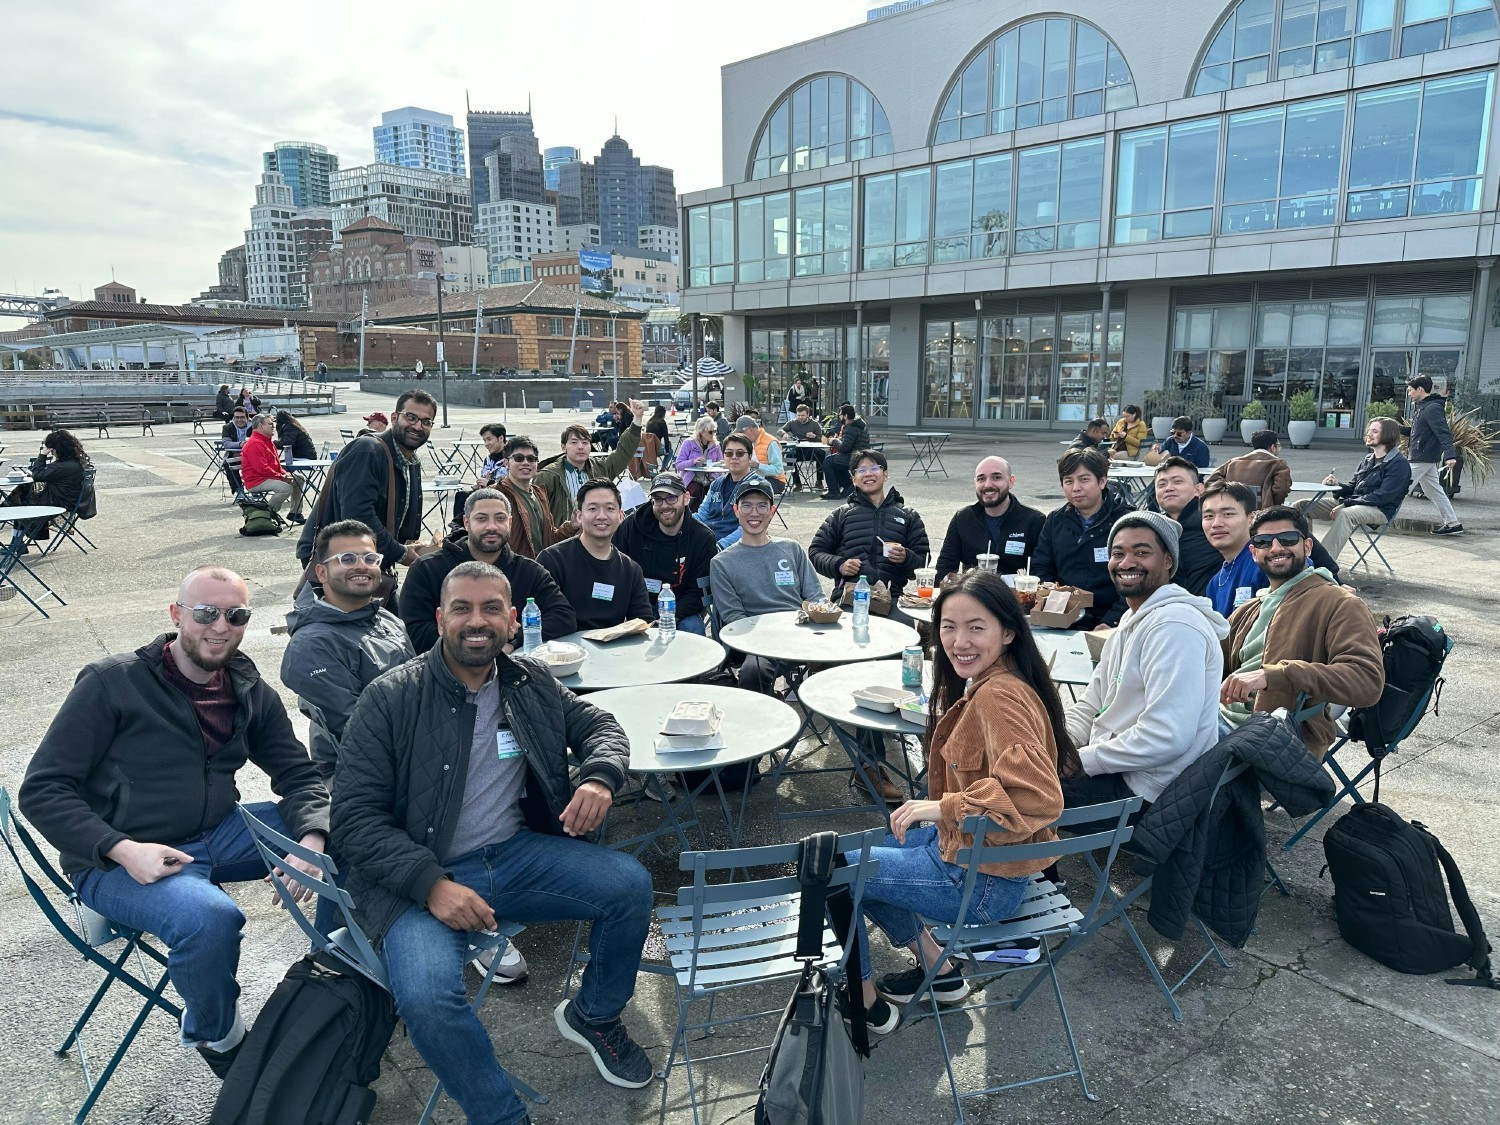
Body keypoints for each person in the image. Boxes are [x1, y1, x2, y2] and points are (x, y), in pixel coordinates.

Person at [332, 562, 656, 1118]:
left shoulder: (530, 681)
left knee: (629, 884)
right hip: (417, 878)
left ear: (512, 620)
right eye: (462, 608)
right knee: (430, 998)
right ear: (439, 619)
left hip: (513, 855)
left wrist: (601, 775)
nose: (476, 621)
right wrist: (431, 884)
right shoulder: (390, 698)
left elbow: (600, 725)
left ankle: (595, 1015)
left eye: (490, 610)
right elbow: (354, 819)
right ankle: (500, 1114)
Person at [19, 566, 329, 1077]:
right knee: (209, 918)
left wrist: (312, 837)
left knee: (354, 835)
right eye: (205, 613)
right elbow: (44, 788)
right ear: (176, 614)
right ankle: (221, 1037)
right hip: (119, 858)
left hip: (221, 833)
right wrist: (119, 848)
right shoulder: (111, 683)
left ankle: (336, 975)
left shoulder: (246, 687)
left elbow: (299, 773)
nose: (220, 626)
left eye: (236, 615)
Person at [846, 572, 1071, 1031]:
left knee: (840, 871)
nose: (959, 640)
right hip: (971, 859)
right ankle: (941, 972)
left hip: (981, 882)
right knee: (853, 855)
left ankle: (864, 999)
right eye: (949, 626)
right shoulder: (997, 683)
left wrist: (942, 806)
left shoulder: (999, 699)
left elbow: (1038, 796)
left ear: (1008, 632)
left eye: (976, 627)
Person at [1062, 512, 1228, 812]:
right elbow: (1091, 703)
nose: (1126, 563)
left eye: (1142, 552)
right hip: (1119, 769)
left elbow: (1167, 735)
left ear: (1167, 561)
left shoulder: (1175, 626)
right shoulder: (1132, 620)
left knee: (1013, 797)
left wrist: (1082, 761)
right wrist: (1059, 743)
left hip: (1150, 792)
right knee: (1012, 763)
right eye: (1118, 553)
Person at [1220, 506, 1384, 757]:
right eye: (1264, 542)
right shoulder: (1249, 609)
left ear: (1307, 547)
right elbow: (1207, 665)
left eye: (1287, 539)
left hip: (1277, 740)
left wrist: (1274, 675)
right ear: (1254, 553)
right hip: (1219, 722)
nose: (1275, 548)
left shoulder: (1339, 603)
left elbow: (1366, 682)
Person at [281, 520, 415, 784]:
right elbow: (355, 728)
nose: (361, 566)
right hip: (356, 777)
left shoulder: (387, 619)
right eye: (347, 558)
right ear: (321, 573)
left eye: (370, 558)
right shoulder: (312, 644)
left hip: (410, 757)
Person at [296, 390, 438, 613]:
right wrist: (400, 553)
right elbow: (357, 518)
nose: (418, 426)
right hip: (340, 560)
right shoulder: (368, 450)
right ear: (394, 418)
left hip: (372, 560)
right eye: (411, 417)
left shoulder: (410, 460)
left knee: (390, 629)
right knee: (337, 634)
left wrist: (407, 545)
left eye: (426, 421)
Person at [403, 489, 575, 654]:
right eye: (482, 519)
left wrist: (515, 641)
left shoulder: (529, 571)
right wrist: (491, 639)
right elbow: (416, 632)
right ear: (466, 522)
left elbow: (563, 617)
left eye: (500, 519)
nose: (491, 527)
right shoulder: (426, 569)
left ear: (510, 522)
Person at [709, 477, 824, 693]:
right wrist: (770, 636)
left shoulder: (792, 549)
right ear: (736, 510)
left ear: (772, 511)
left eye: (762, 505)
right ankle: (762, 720)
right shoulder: (722, 562)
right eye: (747, 505)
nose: (755, 513)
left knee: (853, 657)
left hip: (801, 635)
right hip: (758, 643)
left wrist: (816, 619)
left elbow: (817, 598)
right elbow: (734, 618)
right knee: (753, 670)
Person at [1201, 481, 1341, 617]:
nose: (1216, 523)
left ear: (1252, 518)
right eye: (1208, 516)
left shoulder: (1272, 562)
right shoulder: (1215, 583)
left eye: (1228, 514)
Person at [809, 449, 930, 606]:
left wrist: (906, 557)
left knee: (904, 627)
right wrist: (839, 565)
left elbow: (923, 561)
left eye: (874, 468)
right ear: (853, 479)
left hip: (891, 597)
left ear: (885, 474)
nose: (868, 474)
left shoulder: (908, 515)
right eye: (861, 470)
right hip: (849, 596)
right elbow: (816, 551)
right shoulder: (842, 514)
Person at [1031, 448, 1132, 629]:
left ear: (1102, 481)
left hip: (1114, 618)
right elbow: (1041, 565)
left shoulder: (1127, 521)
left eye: (1084, 479)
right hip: (1063, 613)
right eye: (1068, 481)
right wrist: (1051, 600)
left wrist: (1112, 621)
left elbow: (1137, 579)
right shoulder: (1055, 520)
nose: (1076, 488)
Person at [538, 480, 653, 632]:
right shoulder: (552, 560)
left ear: (621, 515)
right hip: (563, 650)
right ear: (579, 516)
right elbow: (538, 620)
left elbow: (642, 622)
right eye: (592, 508)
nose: (601, 516)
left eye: (610, 509)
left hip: (613, 651)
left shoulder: (631, 570)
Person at [613, 471, 717, 635]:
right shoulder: (632, 527)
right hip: (636, 607)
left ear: (686, 498)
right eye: (658, 499)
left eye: (671, 498)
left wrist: (671, 616)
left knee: (693, 628)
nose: (664, 505)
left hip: (679, 609)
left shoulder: (702, 538)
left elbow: (698, 593)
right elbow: (615, 570)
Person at [1300, 418, 1412, 562]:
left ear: (1388, 435)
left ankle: (1323, 562)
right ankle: (1303, 556)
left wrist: (1347, 503)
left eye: (1375, 431)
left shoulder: (1399, 464)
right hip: (1354, 503)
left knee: (1346, 514)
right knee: (1302, 506)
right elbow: (1352, 488)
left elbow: (1382, 497)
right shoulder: (1367, 459)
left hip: (1380, 509)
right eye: (1369, 431)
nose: (1369, 434)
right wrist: (1336, 485)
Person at [536, 399, 644, 528]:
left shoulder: (601, 468)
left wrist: (637, 419)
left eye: (585, 442)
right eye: (574, 442)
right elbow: (538, 517)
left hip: (598, 535)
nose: (580, 447)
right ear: (563, 447)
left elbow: (623, 451)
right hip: (564, 539)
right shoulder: (548, 476)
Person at [934, 455, 1046, 578]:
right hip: (973, 593)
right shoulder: (962, 519)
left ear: (1011, 481)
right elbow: (945, 567)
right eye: (981, 479)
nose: (988, 484)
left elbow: (1041, 570)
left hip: (1017, 595)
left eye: (996, 477)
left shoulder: (1034, 521)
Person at [1146, 456, 1220, 595]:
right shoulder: (1153, 530)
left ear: (1198, 489)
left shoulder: (1215, 527)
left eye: (1177, 482)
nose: (1168, 488)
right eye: (1161, 485)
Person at [1402, 376, 1464, 535]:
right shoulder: (1423, 407)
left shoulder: (1432, 408)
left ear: (1420, 390)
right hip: (1423, 456)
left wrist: (1450, 455)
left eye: (1410, 390)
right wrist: (1398, 429)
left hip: (1422, 457)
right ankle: (1452, 523)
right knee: (1434, 491)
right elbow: (1419, 432)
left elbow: (1444, 433)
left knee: (1399, 486)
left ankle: (1376, 518)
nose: (1408, 394)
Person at [495, 436, 570, 560]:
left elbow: (549, 540)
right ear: (506, 463)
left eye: (531, 459)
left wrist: (572, 526)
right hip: (514, 569)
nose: (526, 463)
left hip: (540, 569)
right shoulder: (496, 494)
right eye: (519, 458)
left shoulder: (539, 494)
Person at [12, 428, 91, 544]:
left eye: (51, 449)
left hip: (57, 502)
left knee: (16, 501)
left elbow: (36, 475)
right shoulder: (76, 462)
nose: (51, 453)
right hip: (69, 501)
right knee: (20, 495)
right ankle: (18, 542)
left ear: (57, 449)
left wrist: (42, 455)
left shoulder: (62, 466)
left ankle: (17, 543)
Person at [695, 433, 764, 549]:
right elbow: (702, 515)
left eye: (740, 453)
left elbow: (749, 527)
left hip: (733, 548)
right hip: (706, 540)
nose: (734, 457)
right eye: (729, 453)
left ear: (750, 457)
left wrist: (719, 546)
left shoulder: (759, 486)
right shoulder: (717, 483)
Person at [240, 413, 305, 524]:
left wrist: (285, 474)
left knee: (299, 478)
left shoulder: (266, 441)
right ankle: (267, 515)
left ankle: (295, 513)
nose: (273, 426)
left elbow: (276, 464)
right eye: (270, 424)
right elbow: (262, 469)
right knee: (285, 488)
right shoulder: (255, 443)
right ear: (260, 426)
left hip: (267, 477)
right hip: (256, 480)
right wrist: (281, 477)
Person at [1205, 429, 1291, 508]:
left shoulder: (1233, 462)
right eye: (1278, 446)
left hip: (1234, 508)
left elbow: (1210, 481)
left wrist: (1226, 494)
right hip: (1264, 512)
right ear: (1273, 447)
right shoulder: (1278, 464)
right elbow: (1282, 489)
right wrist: (1273, 503)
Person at [450, 422, 508, 534]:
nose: (486, 444)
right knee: (461, 496)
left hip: (503, 494)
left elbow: (511, 483)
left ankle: (461, 531)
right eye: (484, 440)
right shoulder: (488, 459)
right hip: (486, 493)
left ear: (501, 438)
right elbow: (484, 476)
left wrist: (490, 483)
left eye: (489, 439)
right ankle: (459, 531)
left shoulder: (511, 458)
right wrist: (479, 484)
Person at [822, 403, 871, 500]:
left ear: (845, 416)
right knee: (834, 461)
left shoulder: (851, 428)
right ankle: (848, 486)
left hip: (854, 457)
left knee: (828, 462)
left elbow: (844, 448)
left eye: (840, 415)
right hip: (859, 455)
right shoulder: (859, 424)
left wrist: (834, 441)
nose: (839, 417)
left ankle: (834, 491)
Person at [673, 415, 722, 505]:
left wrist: (713, 477)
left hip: (710, 480)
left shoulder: (716, 445)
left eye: (715, 431)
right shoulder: (688, 443)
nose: (713, 434)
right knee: (695, 493)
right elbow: (678, 465)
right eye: (710, 432)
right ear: (702, 432)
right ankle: (693, 517)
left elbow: (720, 464)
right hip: (692, 480)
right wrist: (693, 462)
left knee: (717, 493)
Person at [780, 402, 828, 492]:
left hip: (812, 450)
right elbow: (780, 430)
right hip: (798, 450)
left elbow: (822, 440)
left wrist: (814, 437)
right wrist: (784, 433)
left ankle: (819, 481)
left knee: (821, 453)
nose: (800, 417)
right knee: (789, 457)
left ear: (808, 414)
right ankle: (797, 483)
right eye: (799, 415)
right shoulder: (793, 423)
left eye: (803, 415)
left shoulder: (814, 424)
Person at [219, 405, 252, 494]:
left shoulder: (255, 426)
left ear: (247, 418)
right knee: (228, 463)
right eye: (236, 417)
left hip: (251, 455)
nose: (239, 420)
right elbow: (226, 444)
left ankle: (255, 489)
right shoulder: (227, 427)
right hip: (234, 454)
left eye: (242, 417)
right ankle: (238, 490)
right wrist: (241, 444)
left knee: (257, 462)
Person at [642, 404, 673, 474]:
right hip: (657, 449)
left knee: (667, 445)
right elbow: (666, 439)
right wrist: (667, 450)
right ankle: (663, 468)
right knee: (670, 451)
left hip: (648, 448)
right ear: (663, 414)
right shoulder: (662, 423)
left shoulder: (649, 422)